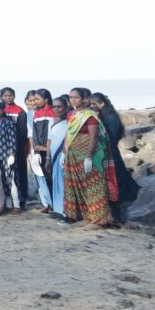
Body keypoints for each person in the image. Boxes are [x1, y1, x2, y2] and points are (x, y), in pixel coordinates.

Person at [63, 88, 115, 230]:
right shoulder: (71, 114)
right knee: (79, 185)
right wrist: (64, 152)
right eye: (71, 97)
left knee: (94, 185)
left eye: (76, 97)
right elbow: (67, 133)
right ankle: (87, 217)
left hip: (89, 154)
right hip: (73, 154)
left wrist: (88, 157)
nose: (73, 100)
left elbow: (93, 138)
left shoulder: (89, 116)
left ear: (84, 98)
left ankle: (100, 220)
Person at [90, 92, 139, 223]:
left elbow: (110, 138)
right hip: (106, 153)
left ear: (102, 104)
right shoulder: (103, 116)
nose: (92, 106)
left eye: (94, 104)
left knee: (117, 182)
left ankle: (119, 217)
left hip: (111, 153)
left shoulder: (111, 118)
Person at [0, 101, 21, 214]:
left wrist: (12, 154)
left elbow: (13, 139)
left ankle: (17, 205)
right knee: (1, 179)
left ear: (2, 110)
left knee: (11, 179)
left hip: (7, 155)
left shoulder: (8, 123)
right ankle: (8, 205)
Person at [1, 87, 30, 206]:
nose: (8, 98)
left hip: (17, 146)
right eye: (5, 96)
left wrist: (18, 147)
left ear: (14, 96)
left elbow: (23, 131)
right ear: (1, 97)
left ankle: (22, 198)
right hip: (3, 147)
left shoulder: (20, 111)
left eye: (10, 95)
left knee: (20, 172)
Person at [31, 89, 57, 214]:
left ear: (46, 99)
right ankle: (48, 203)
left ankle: (55, 205)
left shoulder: (53, 112)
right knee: (44, 178)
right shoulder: (37, 114)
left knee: (52, 178)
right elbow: (34, 132)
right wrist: (37, 147)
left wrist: (47, 147)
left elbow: (53, 133)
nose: (35, 101)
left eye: (37, 99)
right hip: (40, 151)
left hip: (51, 150)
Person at [47, 95, 70, 222]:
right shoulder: (52, 122)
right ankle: (57, 210)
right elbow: (49, 140)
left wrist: (63, 153)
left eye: (59, 107)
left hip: (62, 156)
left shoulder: (69, 122)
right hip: (53, 156)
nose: (56, 109)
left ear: (66, 107)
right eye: (54, 107)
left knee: (63, 183)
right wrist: (48, 158)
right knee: (55, 182)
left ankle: (65, 212)